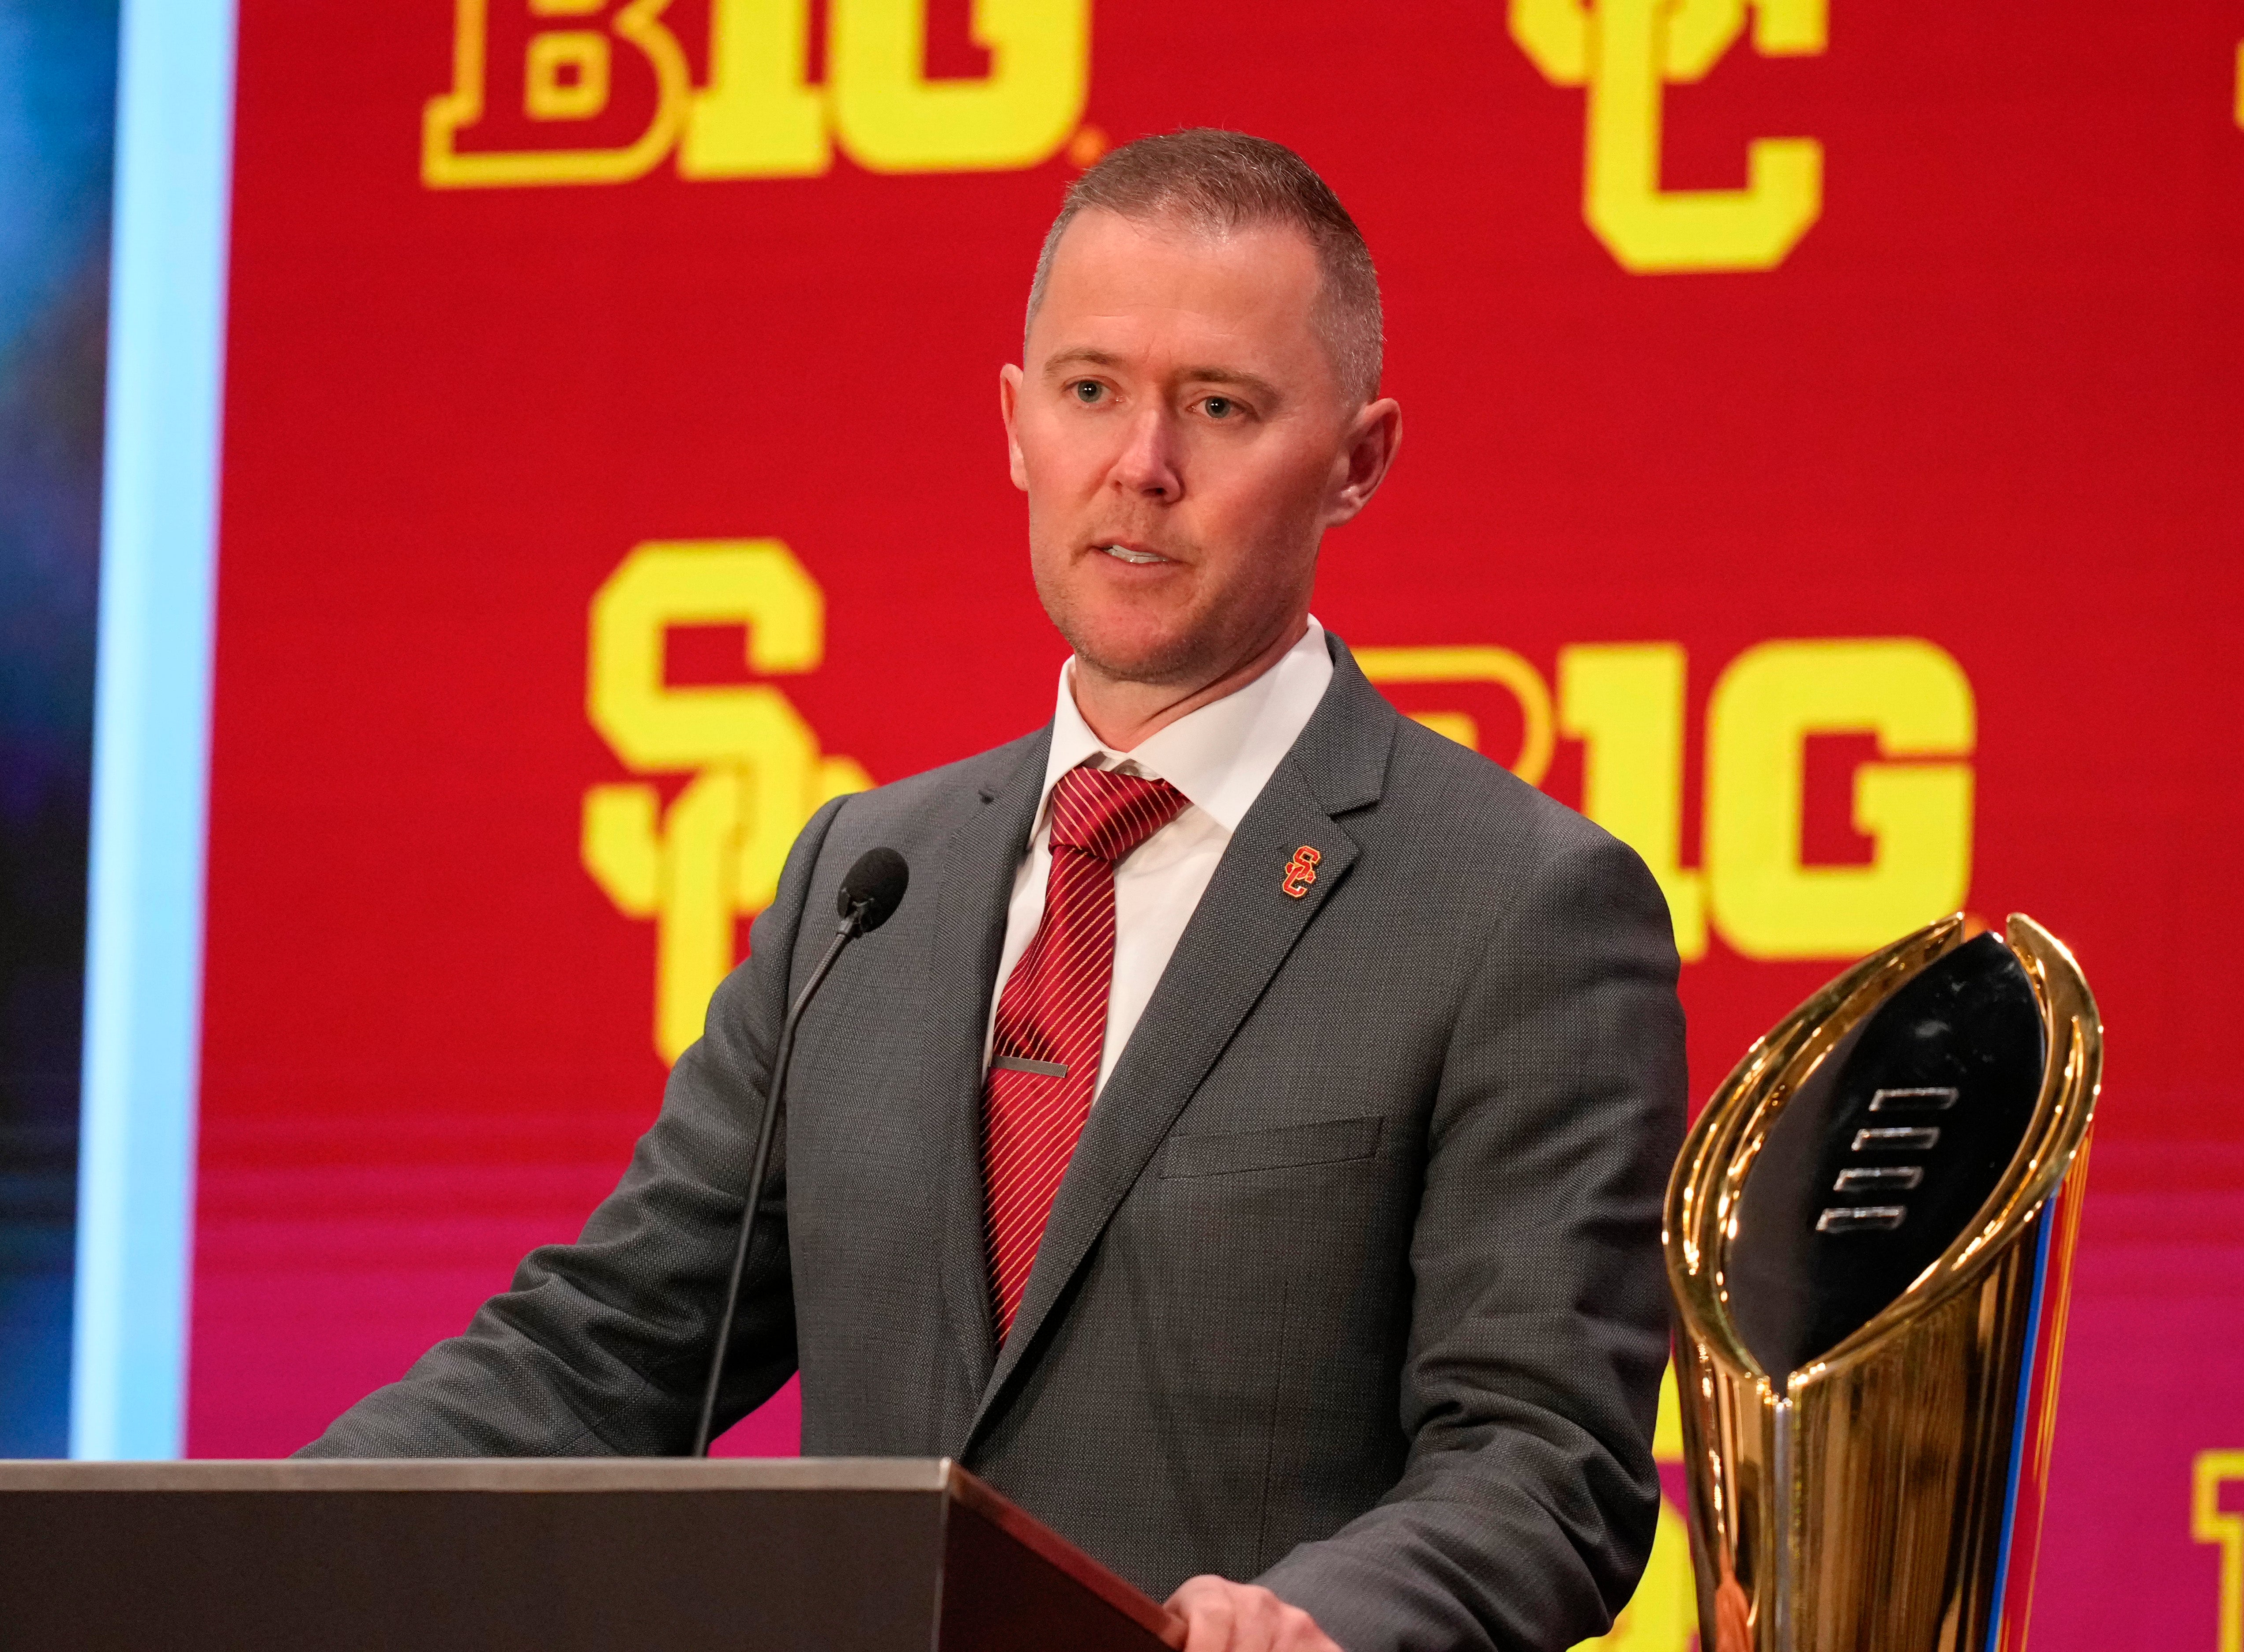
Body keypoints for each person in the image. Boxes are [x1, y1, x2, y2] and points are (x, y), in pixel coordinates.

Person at [303, 129, 1686, 1652]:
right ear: (1017, 425)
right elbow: (608, 1350)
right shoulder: (864, 881)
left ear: (1359, 460)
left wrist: (1313, 1619)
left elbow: (1544, 1462)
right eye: (1092, 392)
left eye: (1219, 407)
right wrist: (251, 1538)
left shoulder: (1521, 908)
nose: (1138, 467)